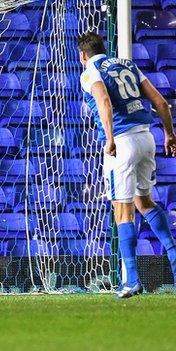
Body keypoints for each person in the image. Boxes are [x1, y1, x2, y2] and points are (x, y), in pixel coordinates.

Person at [78, 32, 176, 298]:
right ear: (104, 49)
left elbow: (104, 101)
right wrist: (169, 133)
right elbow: (160, 102)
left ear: (83, 55)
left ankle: (131, 280)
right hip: (147, 138)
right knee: (144, 203)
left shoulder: (90, 71)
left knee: (122, 212)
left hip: (121, 142)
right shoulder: (128, 65)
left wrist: (109, 139)